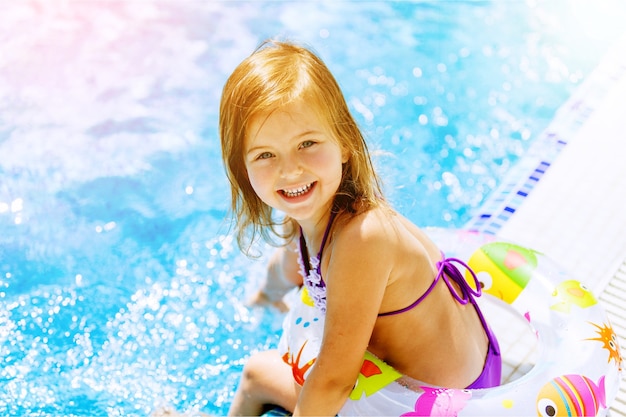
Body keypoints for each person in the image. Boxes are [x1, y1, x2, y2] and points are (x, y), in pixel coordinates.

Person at [220, 39, 501, 416]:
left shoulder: (363, 239)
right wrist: (263, 298)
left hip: (452, 402)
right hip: (434, 378)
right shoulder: (306, 209)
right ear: (245, 169)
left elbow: (336, 380)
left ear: (345, 143)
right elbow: (288, 266)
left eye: (307, 143)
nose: (290, 170)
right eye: (266, 155)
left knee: (258, 374)